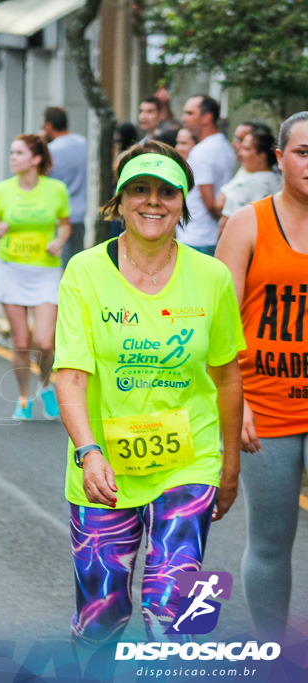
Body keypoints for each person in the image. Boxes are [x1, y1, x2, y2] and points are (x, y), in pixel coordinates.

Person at [55, 140, 244, 648]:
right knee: (101, 614)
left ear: (184, 202)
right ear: (118, 201)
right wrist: (88, 451)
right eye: (139, 190)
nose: (153, 201)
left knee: (174, 611)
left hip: (190, 460)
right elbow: (69, 375)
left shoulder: (212, 277)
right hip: (103, 466)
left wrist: (228, 466)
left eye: (166, 191)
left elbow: (227, 375)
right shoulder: (84, 272)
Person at [215, 111, 308, 644]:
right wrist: (238, 401)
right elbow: (219, 322)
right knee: (272, 539)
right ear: (279, 158)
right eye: (302, 152)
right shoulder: (249, 222)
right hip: (264, 407)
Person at [0, 134, 70, 420]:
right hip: (11, 270)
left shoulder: (56, 189)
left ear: (36, 158)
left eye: (18, 153)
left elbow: (65, 225)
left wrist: (60, 241)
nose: (12, 157)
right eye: (11, 152)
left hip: (45, 270)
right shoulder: (0, 190)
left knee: (44, 342)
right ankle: (23, 398)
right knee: (21, 341)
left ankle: (45, 387)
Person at [178, 94, 235, 255]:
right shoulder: (224, 145)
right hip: (209, 236)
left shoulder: (202, 151)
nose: (184, 118)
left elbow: (210, 203)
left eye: (190, 113)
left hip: (197, 238)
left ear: (207, 117)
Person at [43, 106, 88, 265]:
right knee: (77, 261)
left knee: (59, 261)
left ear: (48, 126)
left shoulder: (50, 150)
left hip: (58, 214)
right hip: (80, 211)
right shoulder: (83, 142)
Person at [217, 125, 281, 235]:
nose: (241, 154)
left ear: (262, 156)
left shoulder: (246, 184)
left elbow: (225, 226)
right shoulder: (280, 181)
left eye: (247, 149)